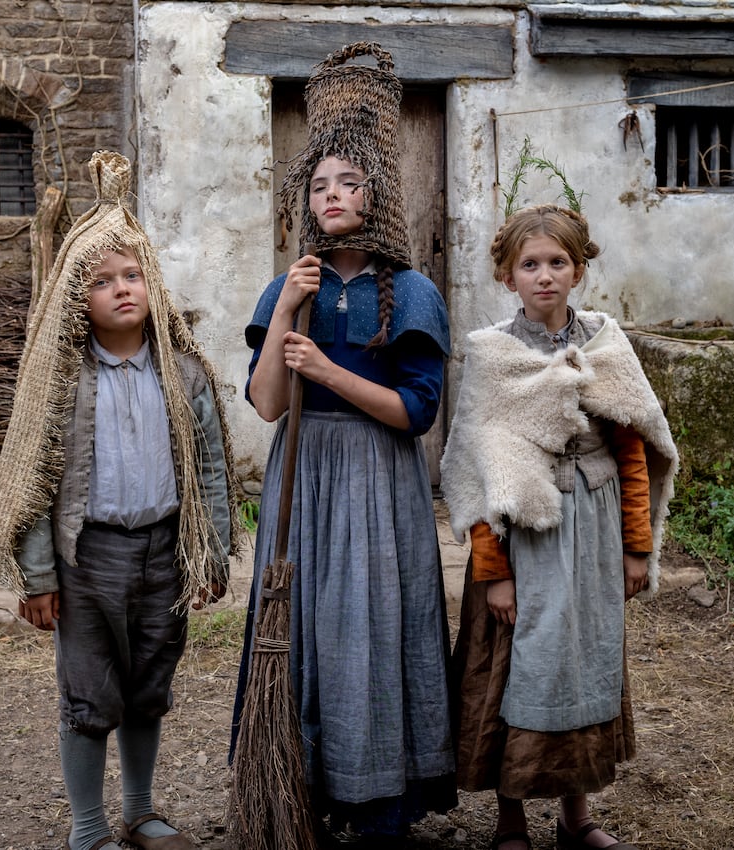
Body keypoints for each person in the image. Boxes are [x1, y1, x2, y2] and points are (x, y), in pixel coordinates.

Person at [0, 151, 243, 850]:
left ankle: (141, 811)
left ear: (151, 283)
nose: (122, 290)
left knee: (149, 685)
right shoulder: (60, 383)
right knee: (90, 694)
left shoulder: (183, 374)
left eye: (132, 276)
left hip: (163, 552)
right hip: (87, 559)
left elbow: (211, 470)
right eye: (102, 281)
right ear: (76, 296)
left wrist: (210, 549)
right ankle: (88, 827)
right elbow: (35, 478)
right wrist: (37, 575)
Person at [232, 42, 456, 844]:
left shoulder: (415, 293)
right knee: (306, 635)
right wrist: (288, 314)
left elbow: (416, 413)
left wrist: (326, 367)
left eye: (348, 182)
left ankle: (380, 800)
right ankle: (304, 791)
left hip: (377, 474)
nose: (332, 196)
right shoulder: (292, 285)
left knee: (372, 628)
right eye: (320, 185)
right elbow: (265, 407)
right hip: (303, 472)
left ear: (379, 194)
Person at [440, 204, 679, 850]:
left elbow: (632, 452)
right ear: (506, 274)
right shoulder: (495, 359)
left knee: (584, 665)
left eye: (557, 263)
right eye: (530, 264)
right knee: (516, 672)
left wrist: (637, 548)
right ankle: (511, 820)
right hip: (523, 546)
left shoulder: (605, 345)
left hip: (593, 537)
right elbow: (477, 474)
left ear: (578, 270)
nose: (544, 276)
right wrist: (493, 575)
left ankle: (578, 817)